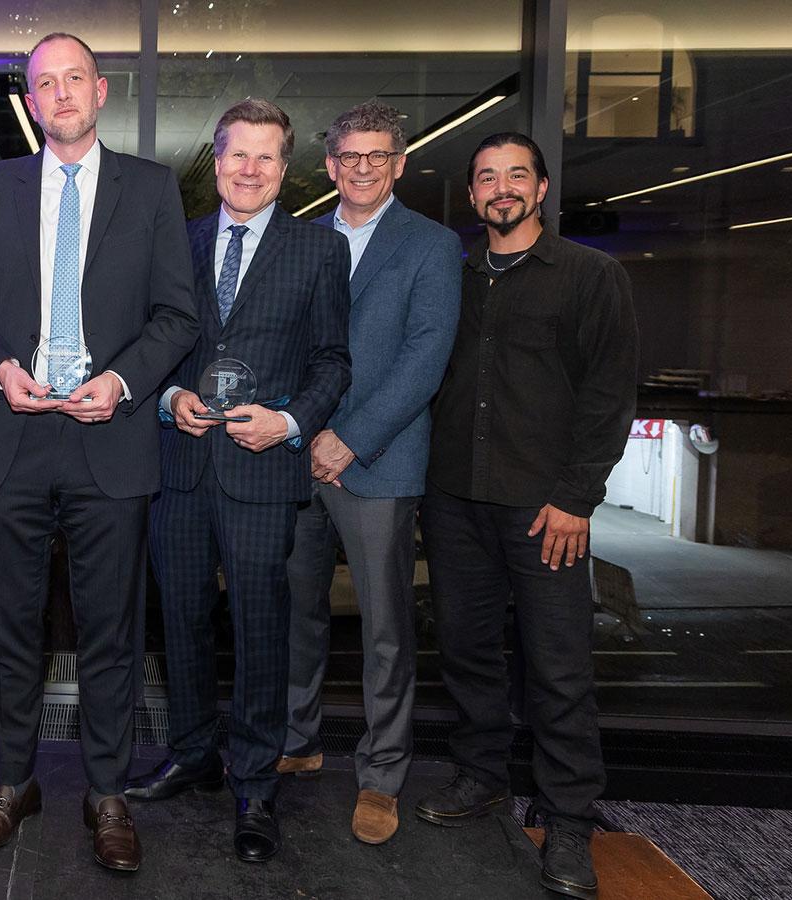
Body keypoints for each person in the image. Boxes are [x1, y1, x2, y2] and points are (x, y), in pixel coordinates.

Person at [0, 31, 198, 873]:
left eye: (73, 79)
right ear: (33, 100)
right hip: (12, 435)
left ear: (101, 90)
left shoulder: (152, 190)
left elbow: (176, 317)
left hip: (108, 439)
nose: (59, 94)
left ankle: (107, 792)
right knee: (9, 629)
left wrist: (121, 383)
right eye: (43, 83)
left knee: (111, 633)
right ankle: (13, 783)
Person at [124, 98, 351, 864]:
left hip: (262, 469)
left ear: (285, 170)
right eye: (236, 155)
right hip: (181, 468)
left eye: (265, 157)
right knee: (181, 619)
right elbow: (146, 345)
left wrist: (290, 425)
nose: (249, 169)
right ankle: (192, 754)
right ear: (214, 161)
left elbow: (332, 363)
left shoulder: (318, 253)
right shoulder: (175, 243)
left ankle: (255, 780)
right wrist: (166, 397)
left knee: (260, 630)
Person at [416, 132, 636, 900]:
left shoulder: (589, 277)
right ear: (472, 196)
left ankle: (569, 815)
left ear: (541, 188)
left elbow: (608, 396)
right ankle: (480, 776)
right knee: (469, 652)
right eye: (487, 178)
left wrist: (578, 497)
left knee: (558, 665)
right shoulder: (455, 275)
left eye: (517, 175)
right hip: (453, 499)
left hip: (546, 509)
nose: (501, 188)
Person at [282, 100, 461, 845]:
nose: (361, 167)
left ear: (399, 163)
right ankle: (297, 740)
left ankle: (382, 773)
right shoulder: (298, 240)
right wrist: (300, 430)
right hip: (295, 456)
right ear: (329, 165)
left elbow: (425, 360)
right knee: (295, 611)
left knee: (387, 628)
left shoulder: (432, 245)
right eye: (348, 156)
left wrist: (347, 440)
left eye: (376, 156)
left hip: (379, 462)